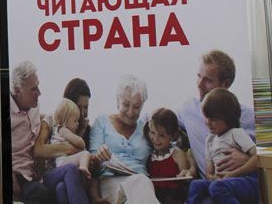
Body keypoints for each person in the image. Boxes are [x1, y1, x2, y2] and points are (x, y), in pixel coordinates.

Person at [13, 62, 93, 204]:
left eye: (85, 107)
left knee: (61, 188)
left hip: (68, 182)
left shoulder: (85, 127)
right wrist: (73, 148)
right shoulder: (54, 120)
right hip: (51, 174)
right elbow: (38, 149)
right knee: (69, 169)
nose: (81, 113)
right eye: (78, 107)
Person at [177, 50, 255, 179]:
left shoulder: (249, 116)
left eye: (208, 80)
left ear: (225, 84)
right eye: (199, 76)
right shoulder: (189, 108)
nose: (200, 85)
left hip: (239, 183)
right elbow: (158, 123)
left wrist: (248, 159)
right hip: (209, 183)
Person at [89, 74, 160, 204]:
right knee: (141, 182)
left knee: (140, 184)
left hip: (141, 187)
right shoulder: (102, 122)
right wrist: (98, 157)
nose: (131, 112)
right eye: (126, 104)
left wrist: (189, 165)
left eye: (137, 107)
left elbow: (167, 146)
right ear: (118, 100)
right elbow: (92, 168)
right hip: (111, 183)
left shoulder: (146, 129)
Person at [186, 88, 259, 204]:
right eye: (206, 117)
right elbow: (209, 173)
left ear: (229, 118)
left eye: (213, 119)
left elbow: (257, 157)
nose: (207, 122)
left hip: (245, 180)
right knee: (196, 185)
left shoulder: (236, 133)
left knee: (217, 187)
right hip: (223, 182)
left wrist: (233, 174)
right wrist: (213, 178)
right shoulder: (210, 140)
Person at [143, 107, 191, 204]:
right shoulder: (150, 155)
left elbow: (185, 182)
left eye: (162, 136)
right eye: (152, 132)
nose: (155, 139)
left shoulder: (177, 154)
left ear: (173, 136)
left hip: (174, 198)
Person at [50, 98, 92, 178]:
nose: (77, 124)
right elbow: (79, 142)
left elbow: (76, 139)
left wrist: (83, 128)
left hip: (64, 162)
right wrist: (82, 144)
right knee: (85, 154)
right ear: (64, 121)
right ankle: (83, 167)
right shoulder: (62, 130)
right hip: (63, 162)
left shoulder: (61, 131)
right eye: (75, 121)